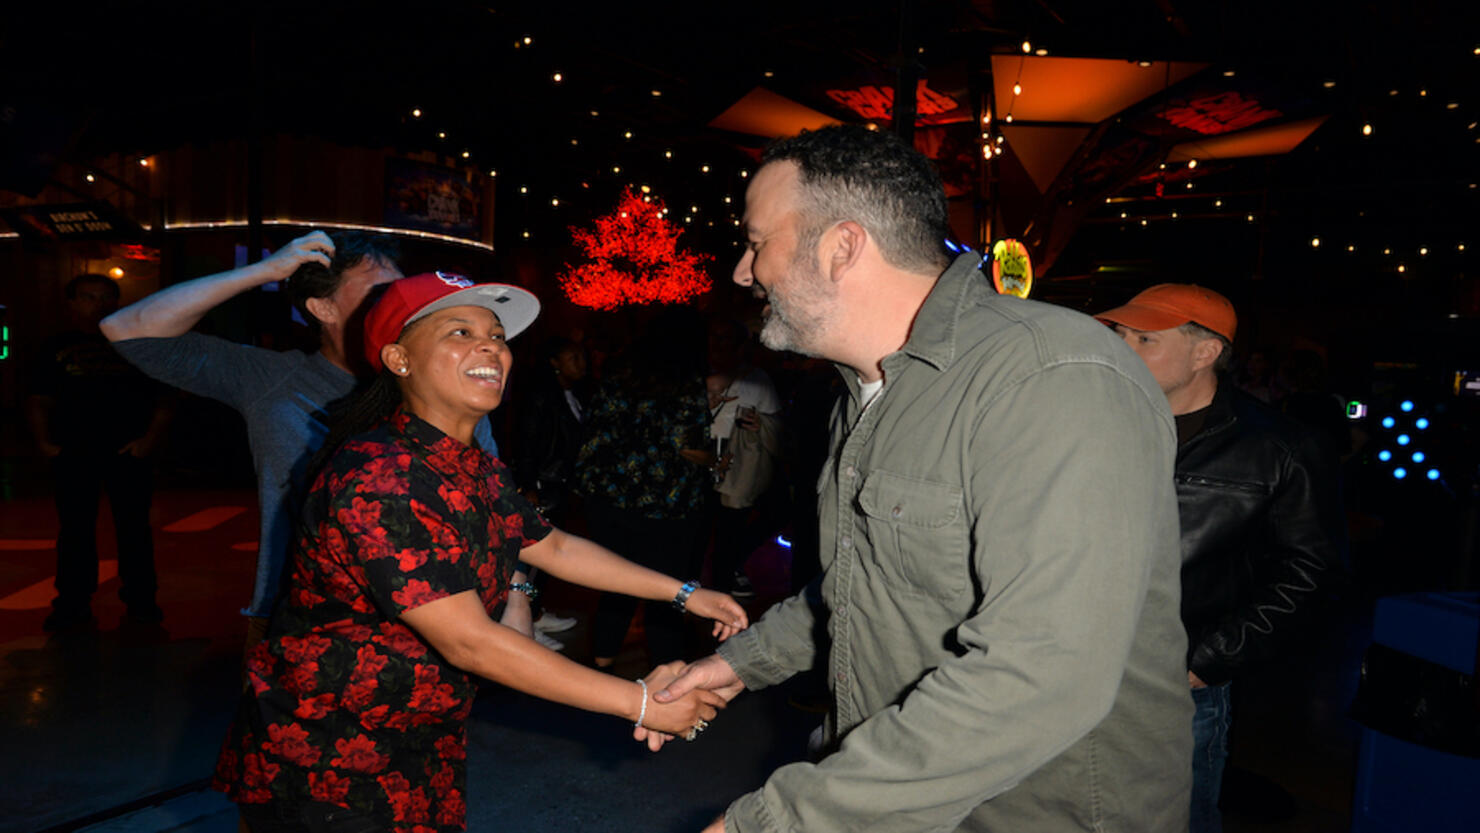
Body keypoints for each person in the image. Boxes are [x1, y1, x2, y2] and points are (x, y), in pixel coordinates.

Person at [648, 124, 1192, 832]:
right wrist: (740, 663)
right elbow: (865, 584)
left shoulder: (1051, 375)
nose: (743, 272)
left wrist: (782, 821)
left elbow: (1043, 671)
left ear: (842, 247)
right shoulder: (865, 393)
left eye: (756, 242)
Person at [213, 272, 746, 832]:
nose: (491, 347)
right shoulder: (381, 476)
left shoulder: (469, 463)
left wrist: (685, 592)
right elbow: (470, 641)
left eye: (496, 335)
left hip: (418, 737)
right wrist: (640, 702)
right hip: (329, 757)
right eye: (460, 332)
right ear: (399, 359)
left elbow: (553, 545)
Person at [1096, 284, 1340, 833]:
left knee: (1175, 818)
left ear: (1205, 352)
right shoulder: (1098, 419)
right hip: (1072, 667)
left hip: (1173, 681)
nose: (1123, 348)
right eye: (1121, 334)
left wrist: (1208, 660)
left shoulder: (1279, 447)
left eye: (1145, 339)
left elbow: (1312, 573)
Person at [100, 231, 409, 647]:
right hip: (297, 619)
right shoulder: (272, 378)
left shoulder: (429, 383)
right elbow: (125, 328)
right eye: (380, 292)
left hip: (423, 615)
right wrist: (263, 271)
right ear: (323, 307)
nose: (398, 303)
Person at [27, 274, 172, 630]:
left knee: (133, 530)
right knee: (75, 531)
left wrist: (148, 441)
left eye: (105, 297)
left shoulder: (136, 343)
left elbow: (164, 398)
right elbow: (38, 399)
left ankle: (140, 600)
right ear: (72, 303)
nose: (98, 305)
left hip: (127, 450)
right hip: (75, 450)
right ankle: (72, 602)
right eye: (89, 297)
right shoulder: (54, 346)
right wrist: (45, 443)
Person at [576, 308, 717, 669]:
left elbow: (596, 430)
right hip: (667, 503)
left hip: (609, 497)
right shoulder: (685, 379)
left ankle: (603, 662)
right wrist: (717, 459)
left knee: (616, 582)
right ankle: (668, 672)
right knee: (666, 589)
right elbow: (689, 446)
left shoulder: (618, 372)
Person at [705, 318, 783, 598]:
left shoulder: (757, 379)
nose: (718, 344)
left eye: (725, 338)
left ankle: (723, 579)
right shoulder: (696, 373)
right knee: (701, 527)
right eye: (714, 337)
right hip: (699, 456)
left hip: (739, 461)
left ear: (739, 346)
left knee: (734, 525)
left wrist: (760, 424)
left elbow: (777, 425)